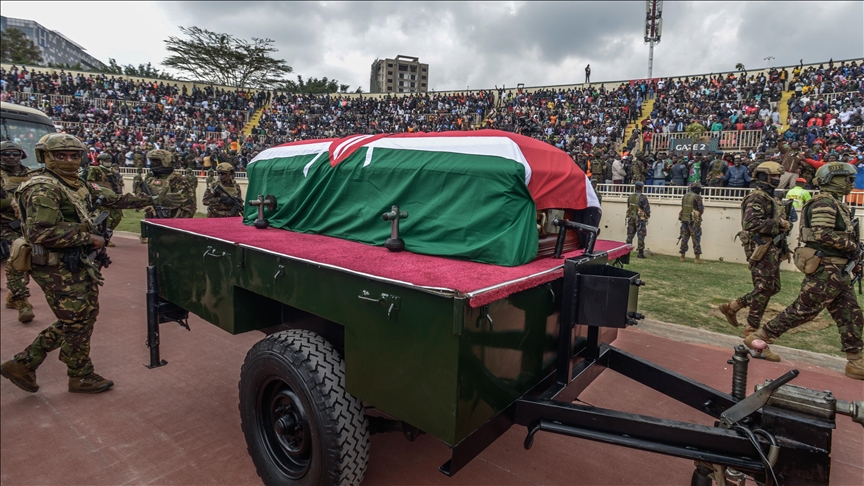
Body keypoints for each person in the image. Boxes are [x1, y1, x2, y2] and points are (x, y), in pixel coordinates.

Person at [0, 134, 153, 394]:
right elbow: (39, 233)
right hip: (54, 265)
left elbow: (112, 199)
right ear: (45, 157)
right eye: (61, 155)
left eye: (74, 155)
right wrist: (89, 238)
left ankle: (28, 365)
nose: (69, 160)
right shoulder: (43, 187)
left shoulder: (75, 183)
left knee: (82, 317)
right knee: (77, 320)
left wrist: (150, 200)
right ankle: (73, 373)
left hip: (74, 261)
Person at [745, 163, 863, 380]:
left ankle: (855, 360)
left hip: (838, 269)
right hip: (826, 268)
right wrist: (853, 247)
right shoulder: (824, 203)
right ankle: (760, 336)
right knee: (804, 310)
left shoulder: (836, 203)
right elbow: (821, 235)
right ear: (832, 179)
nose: (851, 183)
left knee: (851, 314)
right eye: (846, 178)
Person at [719, 162, 789, 337]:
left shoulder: (770, 198)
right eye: (775, 176)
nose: (778, 179)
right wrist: (779, 224)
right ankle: (751, 328)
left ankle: (733, 307)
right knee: (764, 286)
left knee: (772, 287)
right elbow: (751, 223)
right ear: (764, 176)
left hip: (772, 246)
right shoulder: (756, 197)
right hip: (760, 246)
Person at [1, 141, 35, 323]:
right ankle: (22, 301)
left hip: (29, 224)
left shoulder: (30, 174)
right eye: (7, 154)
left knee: (32, 261)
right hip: (7, 225)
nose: (11, 157)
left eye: (15, 154)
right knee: (17, 259)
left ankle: (11, 297)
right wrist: (11, 203)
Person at [139, 149, 194, 219]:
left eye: (156, 161)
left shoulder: (177, 179)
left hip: (172, 219)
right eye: (151, 161)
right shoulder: (149, 178)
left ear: (165, 161)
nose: (152, 163)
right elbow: (141, 196)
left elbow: (188, 205)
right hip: (152, 218)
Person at [86, 153, 124, 244]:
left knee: (117, 217)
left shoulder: (112, 171)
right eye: (106, 161)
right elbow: (90, 182)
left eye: (109, 161)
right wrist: (101, 191)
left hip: (113, 197)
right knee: (103, 218)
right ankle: (101, 236)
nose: (108, 162)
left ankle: (107, 233)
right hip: (102, 198)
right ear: (101, 161)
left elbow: (117, 184)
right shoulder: (95, 169)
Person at [678, 182, 705, 263]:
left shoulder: (685, 196)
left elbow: (683, 207)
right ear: (696, 189)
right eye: (699, 188)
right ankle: (697, 258)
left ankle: (682, 257)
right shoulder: (697, 197)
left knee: (684, 238)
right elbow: (701, 210)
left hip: (684, 219)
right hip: (693, 221)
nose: (700, 189)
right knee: (696, 238)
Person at [625, 181, 650, 258]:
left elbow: (628, 206)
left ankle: (626, 252)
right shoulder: (643, 197)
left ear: (635, 187)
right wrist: (647, 216)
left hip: (631, 217)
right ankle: (640, 253)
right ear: (642, 188)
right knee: (641, 235)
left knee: (630, 235)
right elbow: (647, 209)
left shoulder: (630, 196)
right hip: (640, 219)